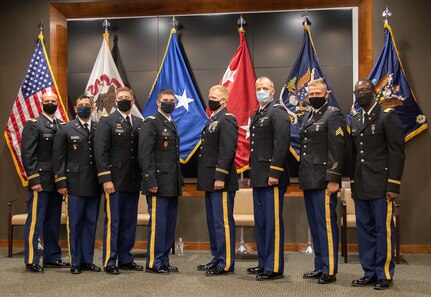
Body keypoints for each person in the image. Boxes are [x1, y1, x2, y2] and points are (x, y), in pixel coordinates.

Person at [350, 79, 405, 290]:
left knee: (383, 230)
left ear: (373, 92)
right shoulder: (355, 119)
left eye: (364, 90)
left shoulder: (387, 116)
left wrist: (393, 184)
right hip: (362, 184)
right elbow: (355, 155)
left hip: (382, 185)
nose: (361, 93)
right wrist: (353, 182)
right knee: (365, 231)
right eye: (357, 91)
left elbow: (397, 152)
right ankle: (369, 272)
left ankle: (384, 274)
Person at [299, 78, 347, 284]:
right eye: (311, 94)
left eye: (318, 94)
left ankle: (330, 269)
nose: (314, 97)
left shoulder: (333, 115)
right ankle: (319, 266)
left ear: (326, 94)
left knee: (326, 225)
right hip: (309, 179)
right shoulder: (308, 116)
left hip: (325, 180)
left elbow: (338, 149)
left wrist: (334, 179)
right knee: (315, 225)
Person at [94, 86, 144, 275]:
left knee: (129, 221)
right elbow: (100, 152)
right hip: (113, 182)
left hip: (132, 181)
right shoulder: (106, 122)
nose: (124, 100)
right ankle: (110, 260)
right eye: (120, 98)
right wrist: (106, 179)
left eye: (127, 98)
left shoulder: (139, 123)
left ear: (132, 101)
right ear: (116, 102)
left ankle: (125, 258)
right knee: (113, 222)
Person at [21, 91, 70, 273]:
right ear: (41, 103)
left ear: (58, 103)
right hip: (40, 181)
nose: (50, 103)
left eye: (53, 100)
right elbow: (28, 154)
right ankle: (32, 259)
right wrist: (33, 178)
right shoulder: (34, 125)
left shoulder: (61, 125)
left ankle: (52, 257)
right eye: (47, 101)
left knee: (53, 221)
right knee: (36, 221)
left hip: (57, 182)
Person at [247, 76, 290, 281]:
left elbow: (282, 144)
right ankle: (263, 262)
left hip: (272, 178)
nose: (261, 91)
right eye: (258, 88)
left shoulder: (278, 111)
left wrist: (274, 172)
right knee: (261, 223)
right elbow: (256, 149)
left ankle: (274, 267)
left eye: (265, 88)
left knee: (272, 223)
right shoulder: (258, 113)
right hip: (258, 177)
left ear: (273, 91)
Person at [53, 95, 102, 274]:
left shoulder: (98, 127)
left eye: (87, 105)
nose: (84, 108)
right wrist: (61, 182)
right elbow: (58, 159)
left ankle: (87, 260)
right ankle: (75, 262)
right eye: (81, 105)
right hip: (74, 184)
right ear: (75, 107)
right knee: (75, 224)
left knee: (90, 223)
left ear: (92, 107)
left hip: (94, 185)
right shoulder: (66, 129)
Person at [139, 89, 183, 274]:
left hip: (171, 183)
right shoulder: (151, 123)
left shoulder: (171, 123)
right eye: (165, 100)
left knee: (168, 224)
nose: (169, 103)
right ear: (158, 103)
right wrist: (151, 180)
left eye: (172, 101)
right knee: (158, 224)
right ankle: (154, 262)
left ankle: (164, 260)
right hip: (157, 183)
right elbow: (145, 154)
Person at [196, 85, 238, 276]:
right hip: (209, 180)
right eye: (209, 95)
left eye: (214, 97)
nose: (210, 99)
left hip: (220, 180)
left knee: (222, 222)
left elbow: (227, 150)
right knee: (213, 222)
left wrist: (220, 176)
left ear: (223, 100)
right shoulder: (213, 119)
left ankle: (226, 262)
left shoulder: (227, 119)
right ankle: (217, 258)